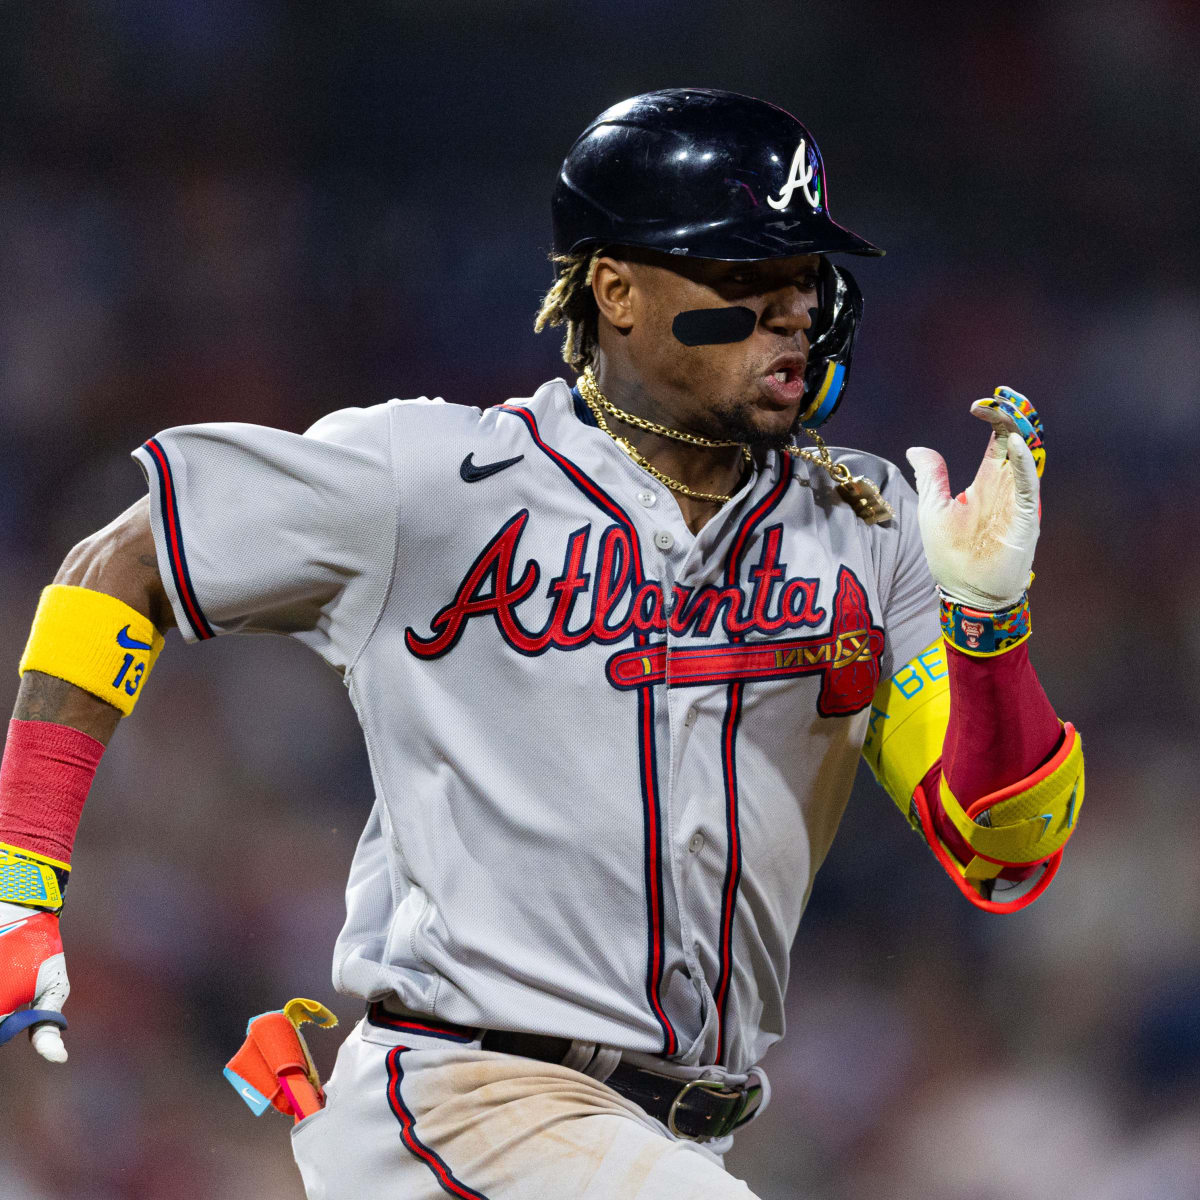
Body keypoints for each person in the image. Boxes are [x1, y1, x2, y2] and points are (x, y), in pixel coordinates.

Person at [0, 89, 1083, 1199]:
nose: (793, 308)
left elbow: (1003, 849)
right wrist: (21, 886)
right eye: (743, 276)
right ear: (616, 289)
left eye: (803, 272)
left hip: (676, 1134)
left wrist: (989, 627)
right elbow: (120, 563)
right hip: (461, 1100)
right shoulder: (434, 482)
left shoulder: (874, 528)